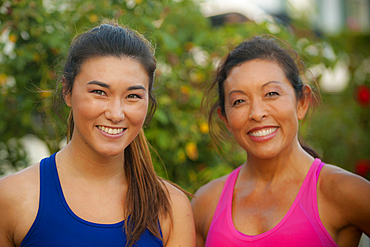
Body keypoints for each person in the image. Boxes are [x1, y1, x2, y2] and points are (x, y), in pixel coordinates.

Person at [0, 22, 195, 247]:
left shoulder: (171, 207)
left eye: (133, 96)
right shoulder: (13, 198)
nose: (116, 113)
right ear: (67, 91)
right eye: (99, 92)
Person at [191, 36, 370, 247]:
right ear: (226, 119)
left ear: (302, 102)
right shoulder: (205, 203)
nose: (257, 113)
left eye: (271, 93)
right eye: (239, 101)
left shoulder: (343, 191)